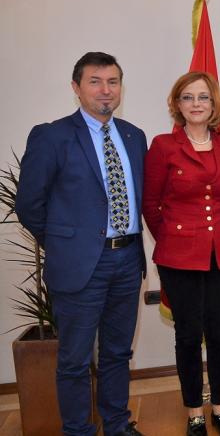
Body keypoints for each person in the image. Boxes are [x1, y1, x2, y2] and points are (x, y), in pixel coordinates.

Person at [16, 52, 146, 436]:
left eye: (113, 82)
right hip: (79, 267)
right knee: (74, 360)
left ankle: (117, 425)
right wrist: (65, 243)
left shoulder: (133, 136)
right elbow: (29, 205)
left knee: (117, 353)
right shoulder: (52, 135)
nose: (105, 91)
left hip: (127, 259)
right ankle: (78, 431)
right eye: (95, 82)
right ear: (76, 88)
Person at [142, 72, 220, 435]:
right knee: (187, 335)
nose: (196, 104)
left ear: (214, 104)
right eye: (188, 97)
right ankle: (194, 412)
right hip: (178, 255)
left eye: (203, 97)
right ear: (177, 104)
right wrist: (172, 239)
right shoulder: (163, 146)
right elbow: (151, 205)